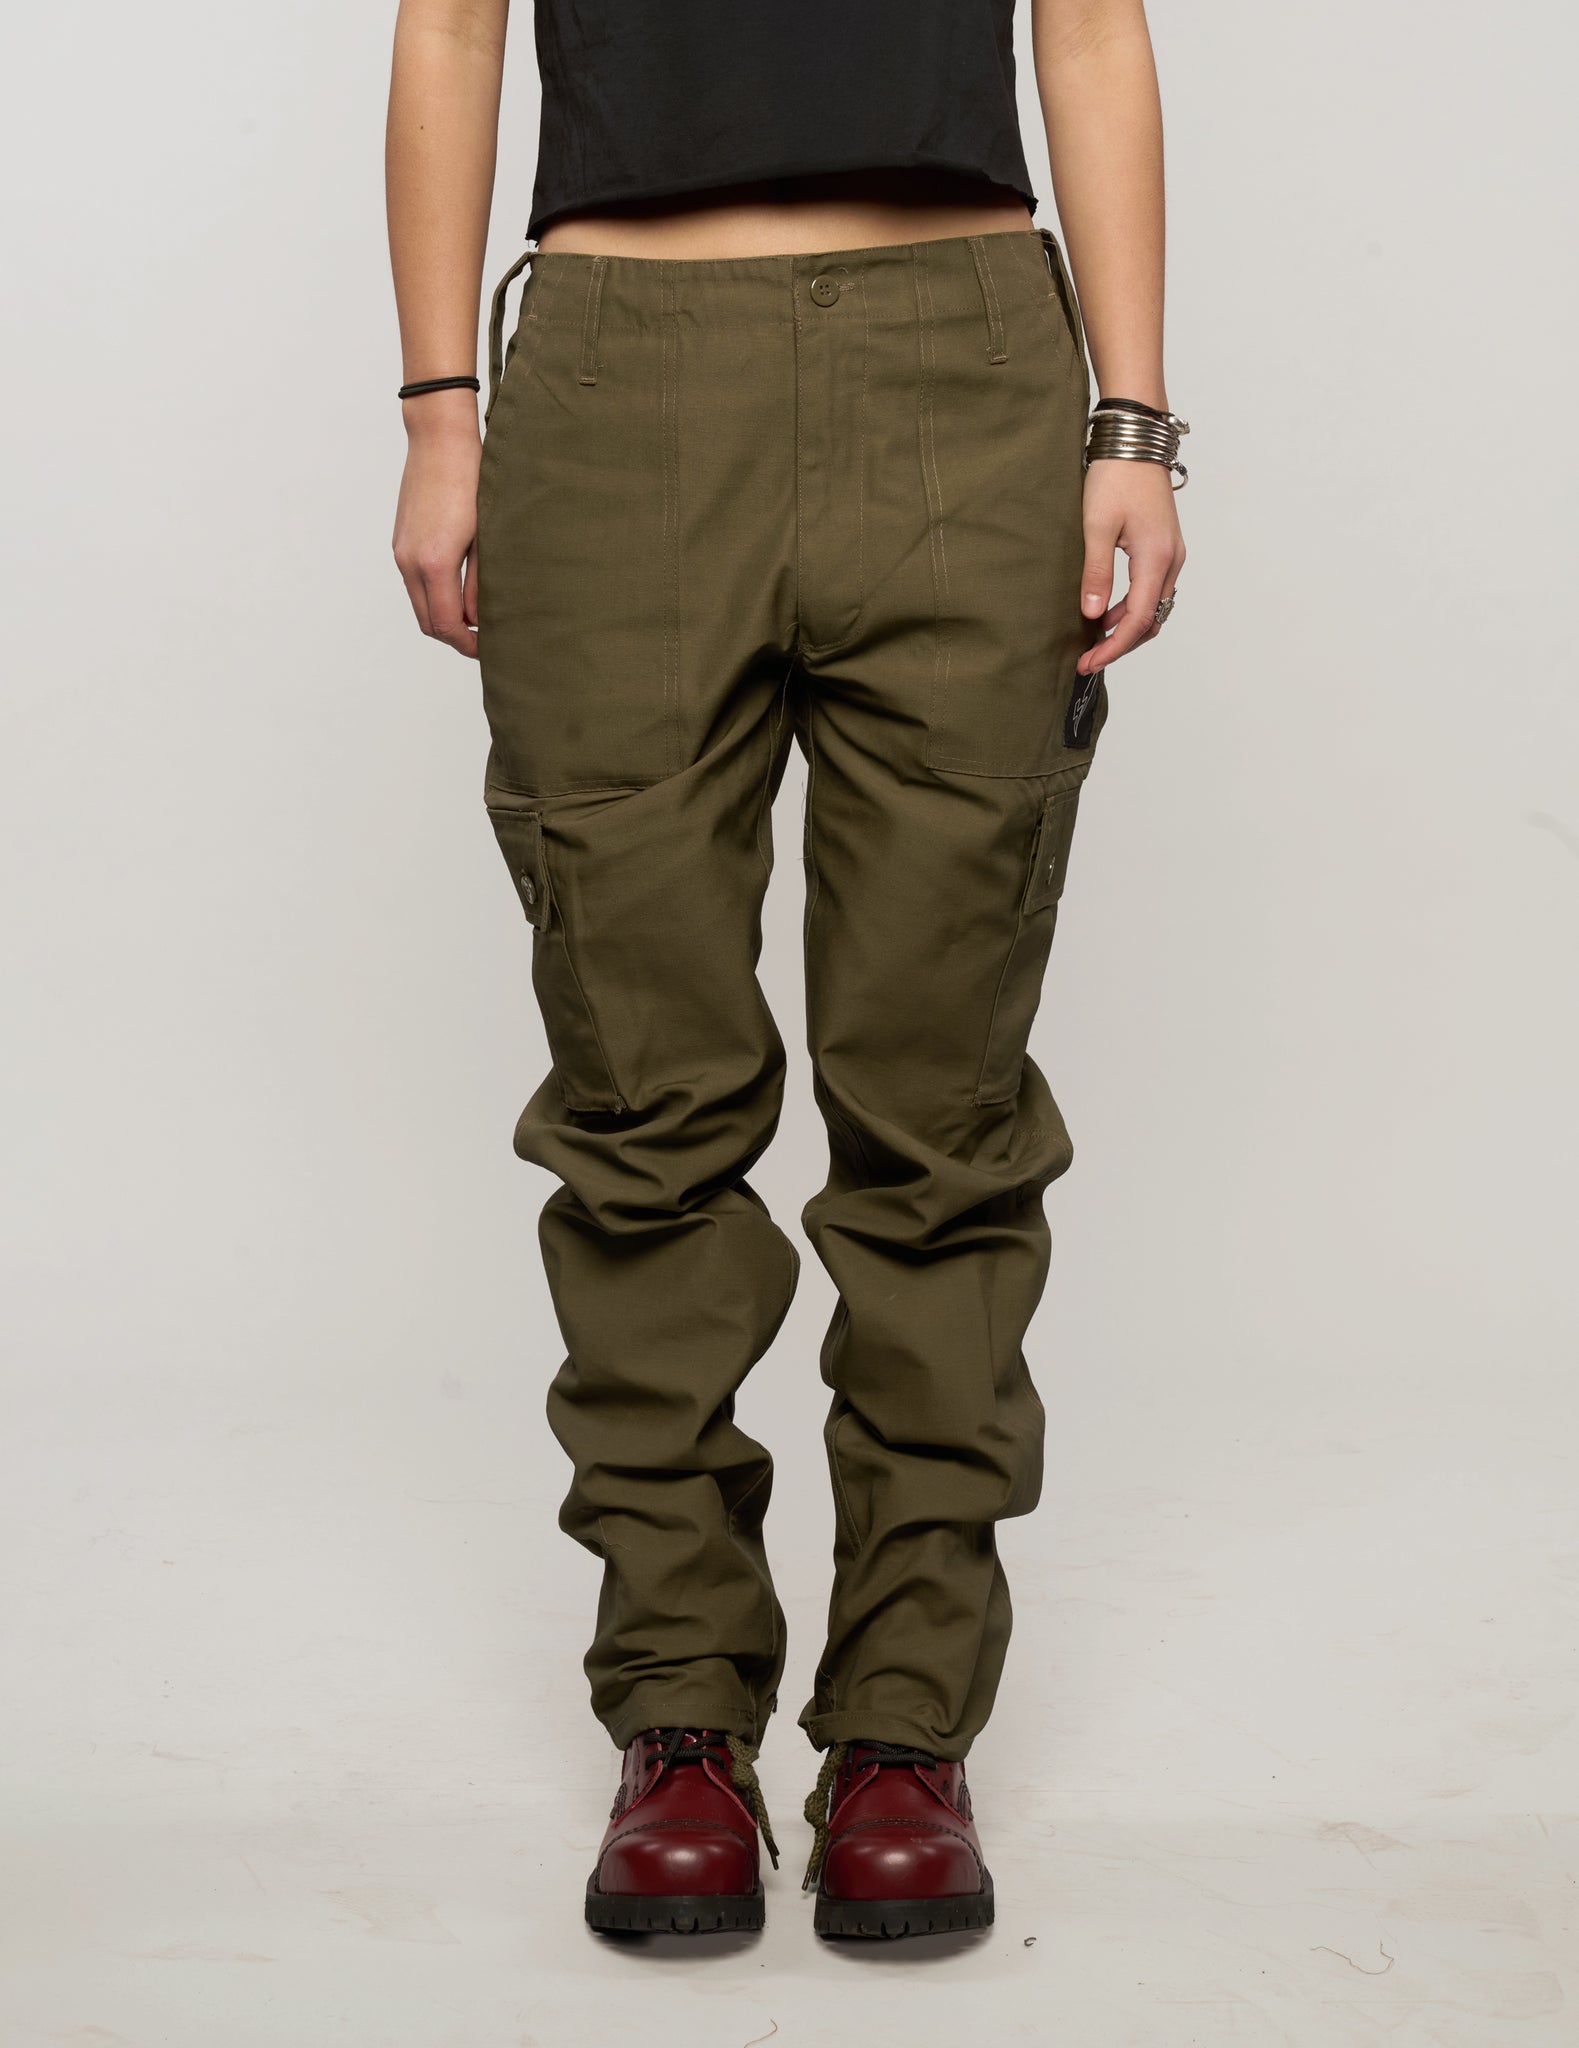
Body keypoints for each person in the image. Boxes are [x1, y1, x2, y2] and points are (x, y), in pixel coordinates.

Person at [386, 0, 1186, 1941]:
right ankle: (678, 1709)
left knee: (938, 1104)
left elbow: (1087, 27)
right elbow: (450, 27)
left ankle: (906, 1724)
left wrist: (1134, 424)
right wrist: (438, 417)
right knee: (640, 1096)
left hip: (961, 363)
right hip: (620, 373)